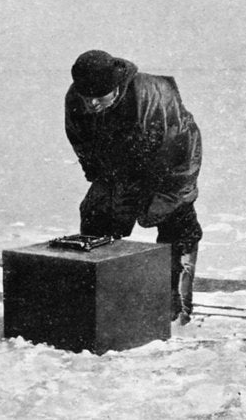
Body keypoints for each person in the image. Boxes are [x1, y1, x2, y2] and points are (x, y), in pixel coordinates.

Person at [64, 50, 203, 324]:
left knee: (179, 226)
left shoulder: (152, 95)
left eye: (100, 96)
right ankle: (102, 304)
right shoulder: (76, 98)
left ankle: (175, 314)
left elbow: (177, 146)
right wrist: (98, 174)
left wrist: (165, 196)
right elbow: (80, 139)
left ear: (116, 87)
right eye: (86, 97)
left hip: (170, 161)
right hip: (118, 163)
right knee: (96, 216)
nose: (92, 103)